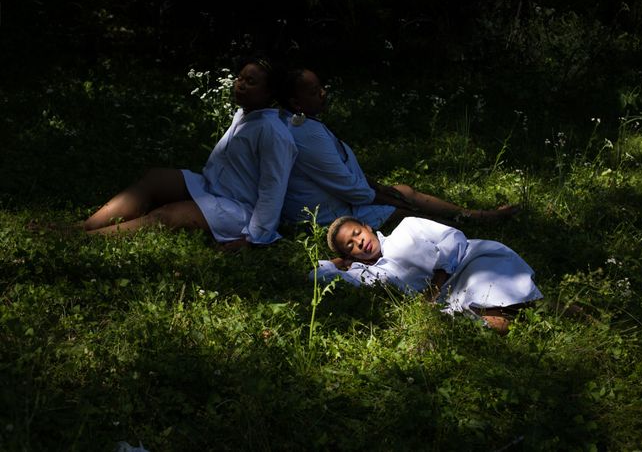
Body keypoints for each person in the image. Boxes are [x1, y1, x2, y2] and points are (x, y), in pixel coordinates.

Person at [83, 56, 298, 248]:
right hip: (212, 186)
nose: (240, 85)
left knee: (165, 216)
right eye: (240, 78)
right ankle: (83, 226)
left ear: (270, 92)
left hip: (238, 210)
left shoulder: (274, 132)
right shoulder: (245, 114)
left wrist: (253, 238)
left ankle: (87, 239)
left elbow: (273, 191)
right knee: (156, 178)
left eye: (251, 82)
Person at [276, 67, 519, 229]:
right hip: (328, 212)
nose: (323, 92)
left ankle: (473, 215)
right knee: (405, 213)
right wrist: (389, 201)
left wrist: (381, 188)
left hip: (343, 197)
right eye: (314, 91)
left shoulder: (306, 123)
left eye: (321, 86)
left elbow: (345, 168)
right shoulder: (304, 133)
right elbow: (347, 186)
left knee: (405, 191)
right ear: (296, 102)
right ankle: (459, 227)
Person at [314, 216, 543, 334]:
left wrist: (436, 283)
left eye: (357, 233)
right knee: (510, 314)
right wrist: (339, 262)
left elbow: (453, 238)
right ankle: (540, 313)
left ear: (367, 227)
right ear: (349, 255)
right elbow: (317, 275)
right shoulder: (367, 273)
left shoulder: (408, 227)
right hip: (451, 300)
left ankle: (541, 312)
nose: (359, 242)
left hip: (471, 265)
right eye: (350, 245)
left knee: (498, 302)